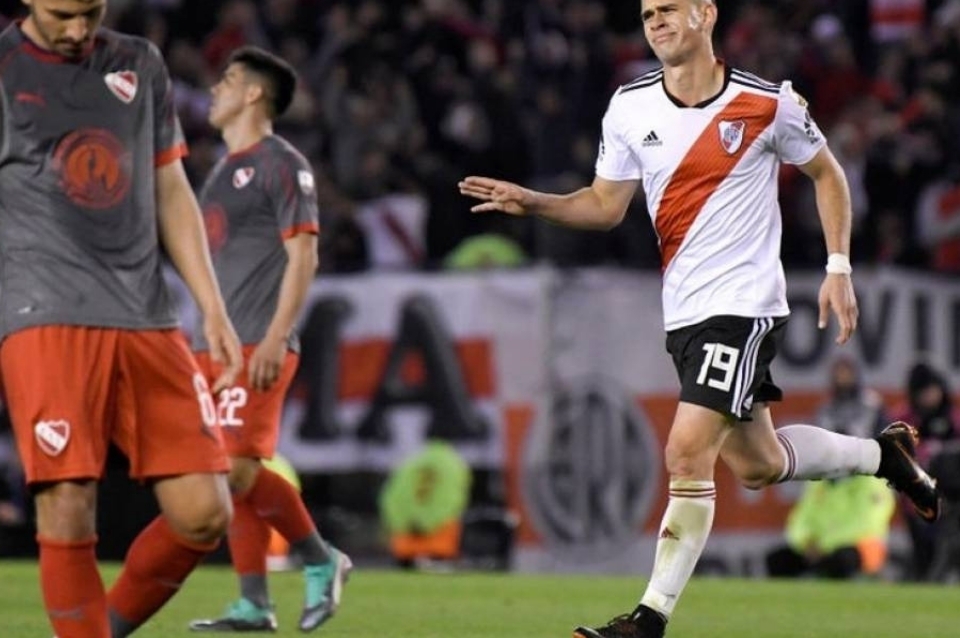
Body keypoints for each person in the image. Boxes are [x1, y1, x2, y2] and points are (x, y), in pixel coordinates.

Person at [458, 1, 940, 636]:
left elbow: (827, 174)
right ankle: (885, 456)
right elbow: (604, 206)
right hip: (684, 312)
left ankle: (648, 619)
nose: (655, 22)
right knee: (758, 463)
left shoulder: (767, 103)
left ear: (705, 14)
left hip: (744, 306)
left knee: (686, 452)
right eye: (646, 14)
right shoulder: (629, 106)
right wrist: (535, 202)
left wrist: (839, 266)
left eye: (669, 9)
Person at [0, 2, 244, 638]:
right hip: (44, 310)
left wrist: (212, 306)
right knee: (67, 503)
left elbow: (170, 187)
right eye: (63, 14)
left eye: (92, 12)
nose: (78, 29)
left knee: (203, 513)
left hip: (144, 313)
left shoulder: (139, 62)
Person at [186, 46, 351, 634]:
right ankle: (254, 602)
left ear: (254, 93)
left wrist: (279, 336)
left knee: (234, 471)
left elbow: (303, 254)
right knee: (229, 477)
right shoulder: (219, 172)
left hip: (260, 338)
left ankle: (320, 558)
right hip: (214, 345)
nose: (215, 89)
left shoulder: (283, 163)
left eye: (228, 80)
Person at [765, 476, 895, 580]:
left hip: (862, 547)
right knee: (777, 560)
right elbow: (800, 519)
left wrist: (823, 545)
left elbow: (866, 524)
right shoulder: (820, 482)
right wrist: (805, 541)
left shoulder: (871, 482)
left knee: (841, 559)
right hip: (818, 548)